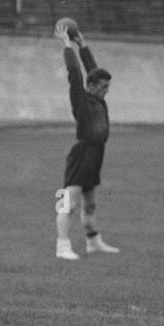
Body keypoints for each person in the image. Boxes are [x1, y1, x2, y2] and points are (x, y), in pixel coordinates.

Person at [55, 21, 119, 260]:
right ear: (91, 87)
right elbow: (76, 74)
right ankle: (62, 246)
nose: (107, 90)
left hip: (96, 155)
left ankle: (93, 242)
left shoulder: (99, 98)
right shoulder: (82, 100)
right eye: (104, 87)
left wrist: (84, 46)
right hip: (82, 154)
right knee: (68, 203)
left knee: (90, 204)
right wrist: (67, 45)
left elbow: (92, 70)